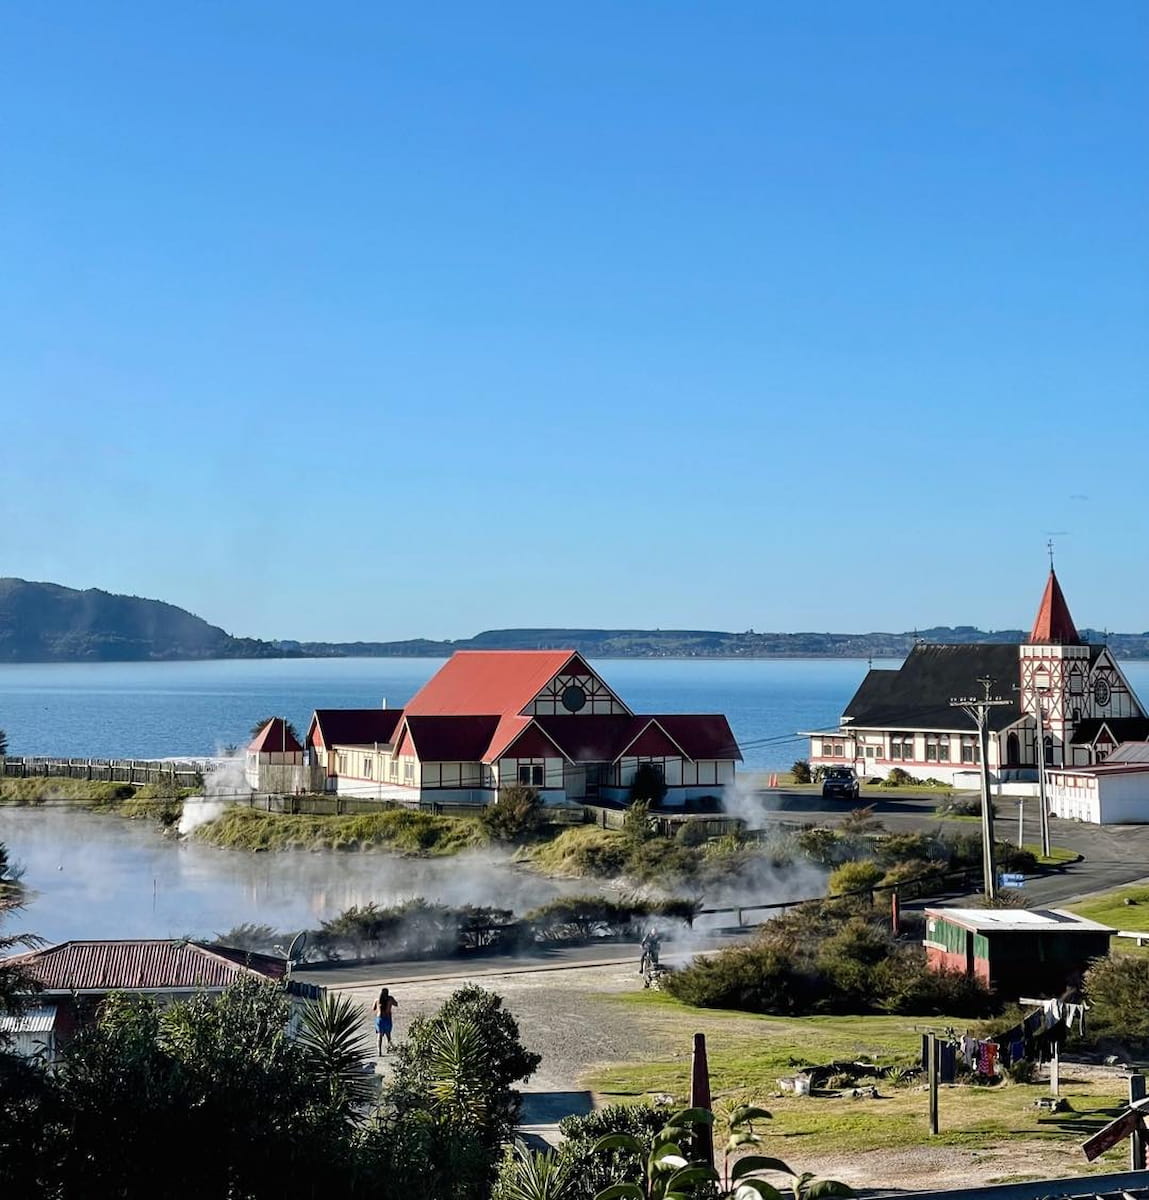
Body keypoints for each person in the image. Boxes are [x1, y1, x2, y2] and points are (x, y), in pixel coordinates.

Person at [372, 987, 399, 1055]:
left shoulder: (377, 1000)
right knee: (388, 1035)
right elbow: (396, 1004)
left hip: (379, 1019)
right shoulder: (390, 999)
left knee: (379, 1035)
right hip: (387, 1018)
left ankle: (379, 1051)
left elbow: (373, 1008)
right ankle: (389, 1048)